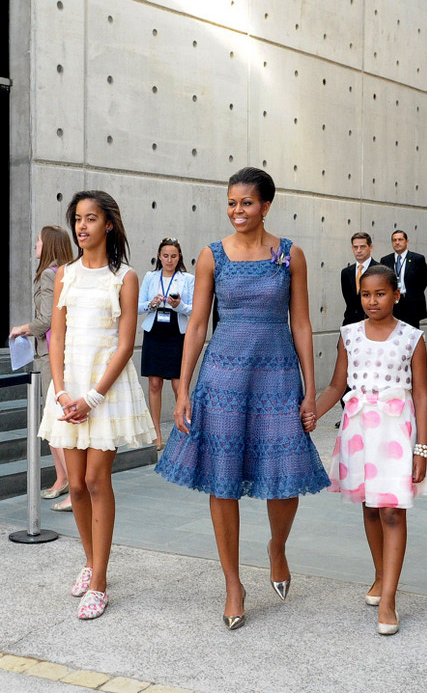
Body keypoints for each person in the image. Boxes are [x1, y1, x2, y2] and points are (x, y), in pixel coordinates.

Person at [155, 167, 329, 631]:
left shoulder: (290, 254)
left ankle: (277, 547)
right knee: (222, 478)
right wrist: (183, 387)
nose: (237, 211)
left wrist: (310, 390)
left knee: (286, 476)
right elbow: (196, 326)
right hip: (223, 376)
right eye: (232, 203)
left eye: (246, 203)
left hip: (277, 374)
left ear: (266, 206)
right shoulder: (211, 255)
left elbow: (301, 323)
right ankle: (233, 584)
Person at [38, 191, 156, 620]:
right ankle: (89, 562)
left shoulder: (125, 276)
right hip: (68, 389)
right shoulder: (65, 274)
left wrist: (92, 397)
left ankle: (100, 582)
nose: (82, 226)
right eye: (77, 219)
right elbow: (57, 335)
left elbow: (125, 345)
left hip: (105, 391)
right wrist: (62, 392)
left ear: (108, 224)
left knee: (94, 479)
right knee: (75, 485)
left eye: (90, 218)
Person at [316, 264, 427, 635]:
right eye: (366, 295)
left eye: (380, 294)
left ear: (396, 294)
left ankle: (389, 599)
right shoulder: (349, 335)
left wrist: (422, 449)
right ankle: (381, 575)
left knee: (392, 512)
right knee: (370, 508)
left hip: (396, 431)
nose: (372, 301)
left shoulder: (412, 338)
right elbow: (336, 386)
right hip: (359, 431)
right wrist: (310, 414)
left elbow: (421, 394)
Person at [9, 225, 74, 511]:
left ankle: (73, 488)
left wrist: (23, 327)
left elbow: (47, 319)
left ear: (48, 245)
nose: (35, 246)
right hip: (57, 352)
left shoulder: (50, 274)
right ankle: (62, 479)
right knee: (51, 420)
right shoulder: (65, 272)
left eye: (38, 242)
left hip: (52, 355)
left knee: (55, 421)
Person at [138, 238, 195, 449]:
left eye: (173, 256)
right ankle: (156, 433)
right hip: (154, 331)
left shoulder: (187, 279)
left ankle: (184, 430)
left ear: (179, 257)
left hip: (176, 332)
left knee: (178, 384)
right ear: (159, 257)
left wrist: (179, 305)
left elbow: (194, 309)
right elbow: (137, 306)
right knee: (154, 383)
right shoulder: (150, 277)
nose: (169, 260)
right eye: (165, 256)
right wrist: (152, 304)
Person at [380, 230, 427, 329]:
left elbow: (423, 281)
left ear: (407, 241)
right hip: (392, 302)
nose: (397, 242)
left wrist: (413, 294)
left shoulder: (417, 259)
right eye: (394, 240)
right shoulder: (386, 260)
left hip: (410, 303)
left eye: (400, 240)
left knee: (411, 332)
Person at [341, 232, 378, 326]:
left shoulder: (380, 271)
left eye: (362, 247)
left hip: (373, 322)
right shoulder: (346, 272)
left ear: (371, 247)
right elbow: (349, 300)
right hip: (350, 323)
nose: (358, 250)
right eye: (355, 247)